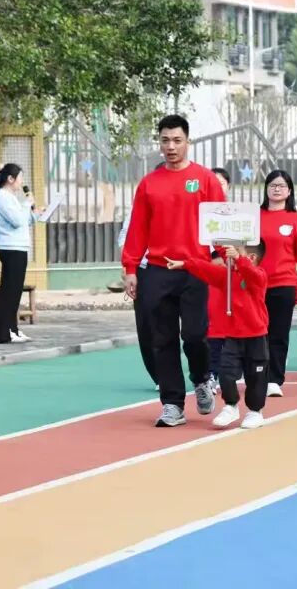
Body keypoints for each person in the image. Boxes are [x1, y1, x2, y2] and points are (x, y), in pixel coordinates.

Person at [122, 115, 226, 428]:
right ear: (160, 142)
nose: (171, 146)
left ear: (187, 142)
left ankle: (202, 378)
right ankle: (172, 404)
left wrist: (226, 258)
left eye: (177, 140)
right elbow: (138, 228)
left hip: (195, 268)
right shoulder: (149, 184)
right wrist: (130, 268)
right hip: (157, 269)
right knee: (162, 339)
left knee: (194, 335)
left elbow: (220, 222)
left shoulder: (205, 179)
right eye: (165, 140)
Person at [165, 242, 268, 430]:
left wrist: (239, 258)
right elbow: (206, 269)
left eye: (235, 253)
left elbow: (252, 275)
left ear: (251, 257)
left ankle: (255, 411)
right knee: (226, 373)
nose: (228, 257)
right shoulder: (227, 277)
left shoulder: (259, 275)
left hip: (256, 337)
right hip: (232, 337)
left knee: (255, 377)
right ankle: (231, 406)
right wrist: (185, 264)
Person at [259, 169, 297, 398]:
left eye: (281, 185)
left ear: (289, 191)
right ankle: (257, 375)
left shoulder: (295, 219)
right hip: (254, 284)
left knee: (278, 333)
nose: (276, 189)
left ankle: (274, 379)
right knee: (256, 332)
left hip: (283, 284)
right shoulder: (254, 216)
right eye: (272, 185)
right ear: (266, 189)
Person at [117, 163, 165, 388]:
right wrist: (130, 270)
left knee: (192, 330)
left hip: (184, 269)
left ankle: (203, 372)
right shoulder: (141, 204)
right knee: (148, 326)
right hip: (147, 270)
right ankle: (160, 375)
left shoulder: (190, 204)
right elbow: (125, 238)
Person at [0, 163, 41, 345]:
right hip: (11, 247)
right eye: (20, 178)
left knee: (13, 291)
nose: (21, 182)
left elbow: (23, 220)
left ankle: (11, 329)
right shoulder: (2, 196)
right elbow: (18, 221)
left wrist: (35, 214)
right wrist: (27, 204)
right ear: (10, 179)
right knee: (9, 292)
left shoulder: (10, 197)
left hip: (17, 247)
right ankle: (4, 332)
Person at [207, 167, 232, 391]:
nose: (216, 187)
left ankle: (232, 370)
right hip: (208, 275)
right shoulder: (198, 213)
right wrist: (213, 255)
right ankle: (211, 373)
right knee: (212, 325)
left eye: (220, 183)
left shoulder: (237, 215)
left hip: (233, 274)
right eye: (212, 183)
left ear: (228, 187)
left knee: (232, 322)